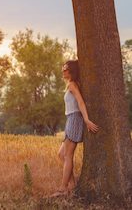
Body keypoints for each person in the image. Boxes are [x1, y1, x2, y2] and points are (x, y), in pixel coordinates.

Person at [52, 60, 99, 197]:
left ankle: (62, 188)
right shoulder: (70, 85)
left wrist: (86, 120)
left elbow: (80, 102)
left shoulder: (72, 85)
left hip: (75, 119)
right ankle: (72, 186)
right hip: (70, 119)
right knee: (61, 155)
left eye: (65, 69)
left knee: (67, 155)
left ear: (71, 71)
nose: (63, 71)